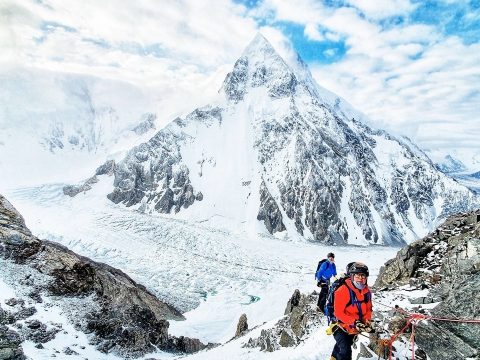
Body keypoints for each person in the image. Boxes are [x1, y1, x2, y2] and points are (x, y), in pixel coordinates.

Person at [330, 262, 373, 360]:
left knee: (342, 346)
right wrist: (354, 322)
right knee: (345, 350)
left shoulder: (367, 292)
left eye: (363, 277)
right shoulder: (343, 290)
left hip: (355, 327)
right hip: (340, 326)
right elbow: (338, 313)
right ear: (352, 277)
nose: (361, 279)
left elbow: (368, 310)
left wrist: (366, 322)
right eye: (358, 276)